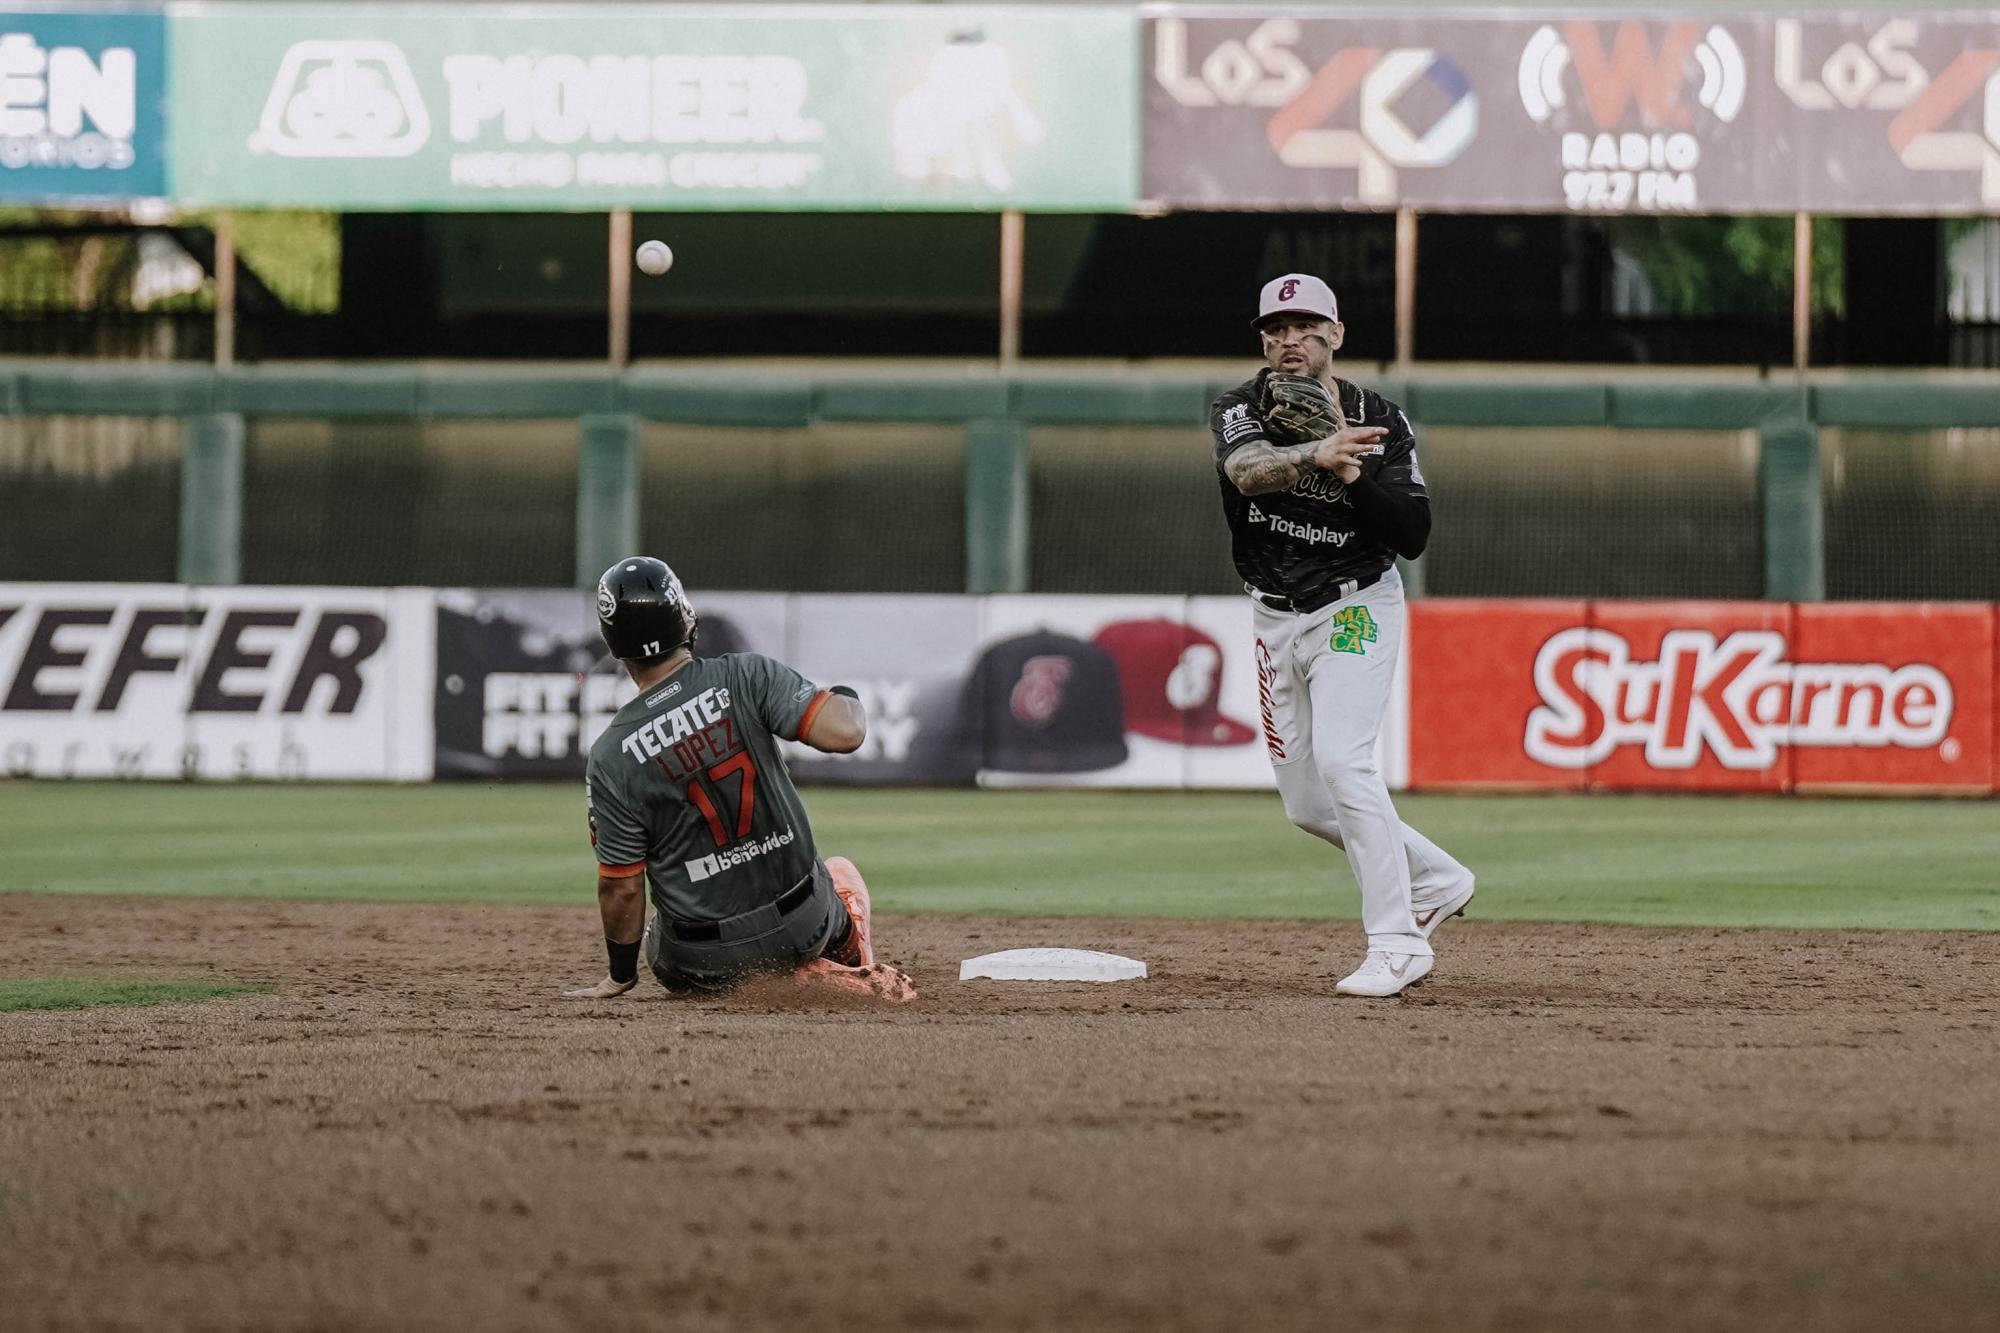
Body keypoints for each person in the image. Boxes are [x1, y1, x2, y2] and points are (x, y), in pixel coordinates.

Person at [1208, 274, 1476, 997]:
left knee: (1345, 760)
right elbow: (1246, 472)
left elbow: (1413, 535)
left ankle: (1396, 941)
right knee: (1307, 804)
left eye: (1304, 325)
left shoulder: (1380, 416)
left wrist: (1352, 471)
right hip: (1272, 614)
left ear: (1336, 334)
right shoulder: (1240, 406)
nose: (1288, 339)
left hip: (1354, 605)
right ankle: (1440, 877)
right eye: (1276, 326)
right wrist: (1314, 454)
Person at [564, 556, 915, 1003]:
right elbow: (847, 732)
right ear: (684, 616)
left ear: (613, 641)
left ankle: (774, 982)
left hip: (700, 959)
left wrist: (619, 976)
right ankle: (843, 960)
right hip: (801, 924)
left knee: (658, 934)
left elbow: (621, 887)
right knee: (840, 872)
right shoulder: (745, 676)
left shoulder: (609, 755)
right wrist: (847, 695)